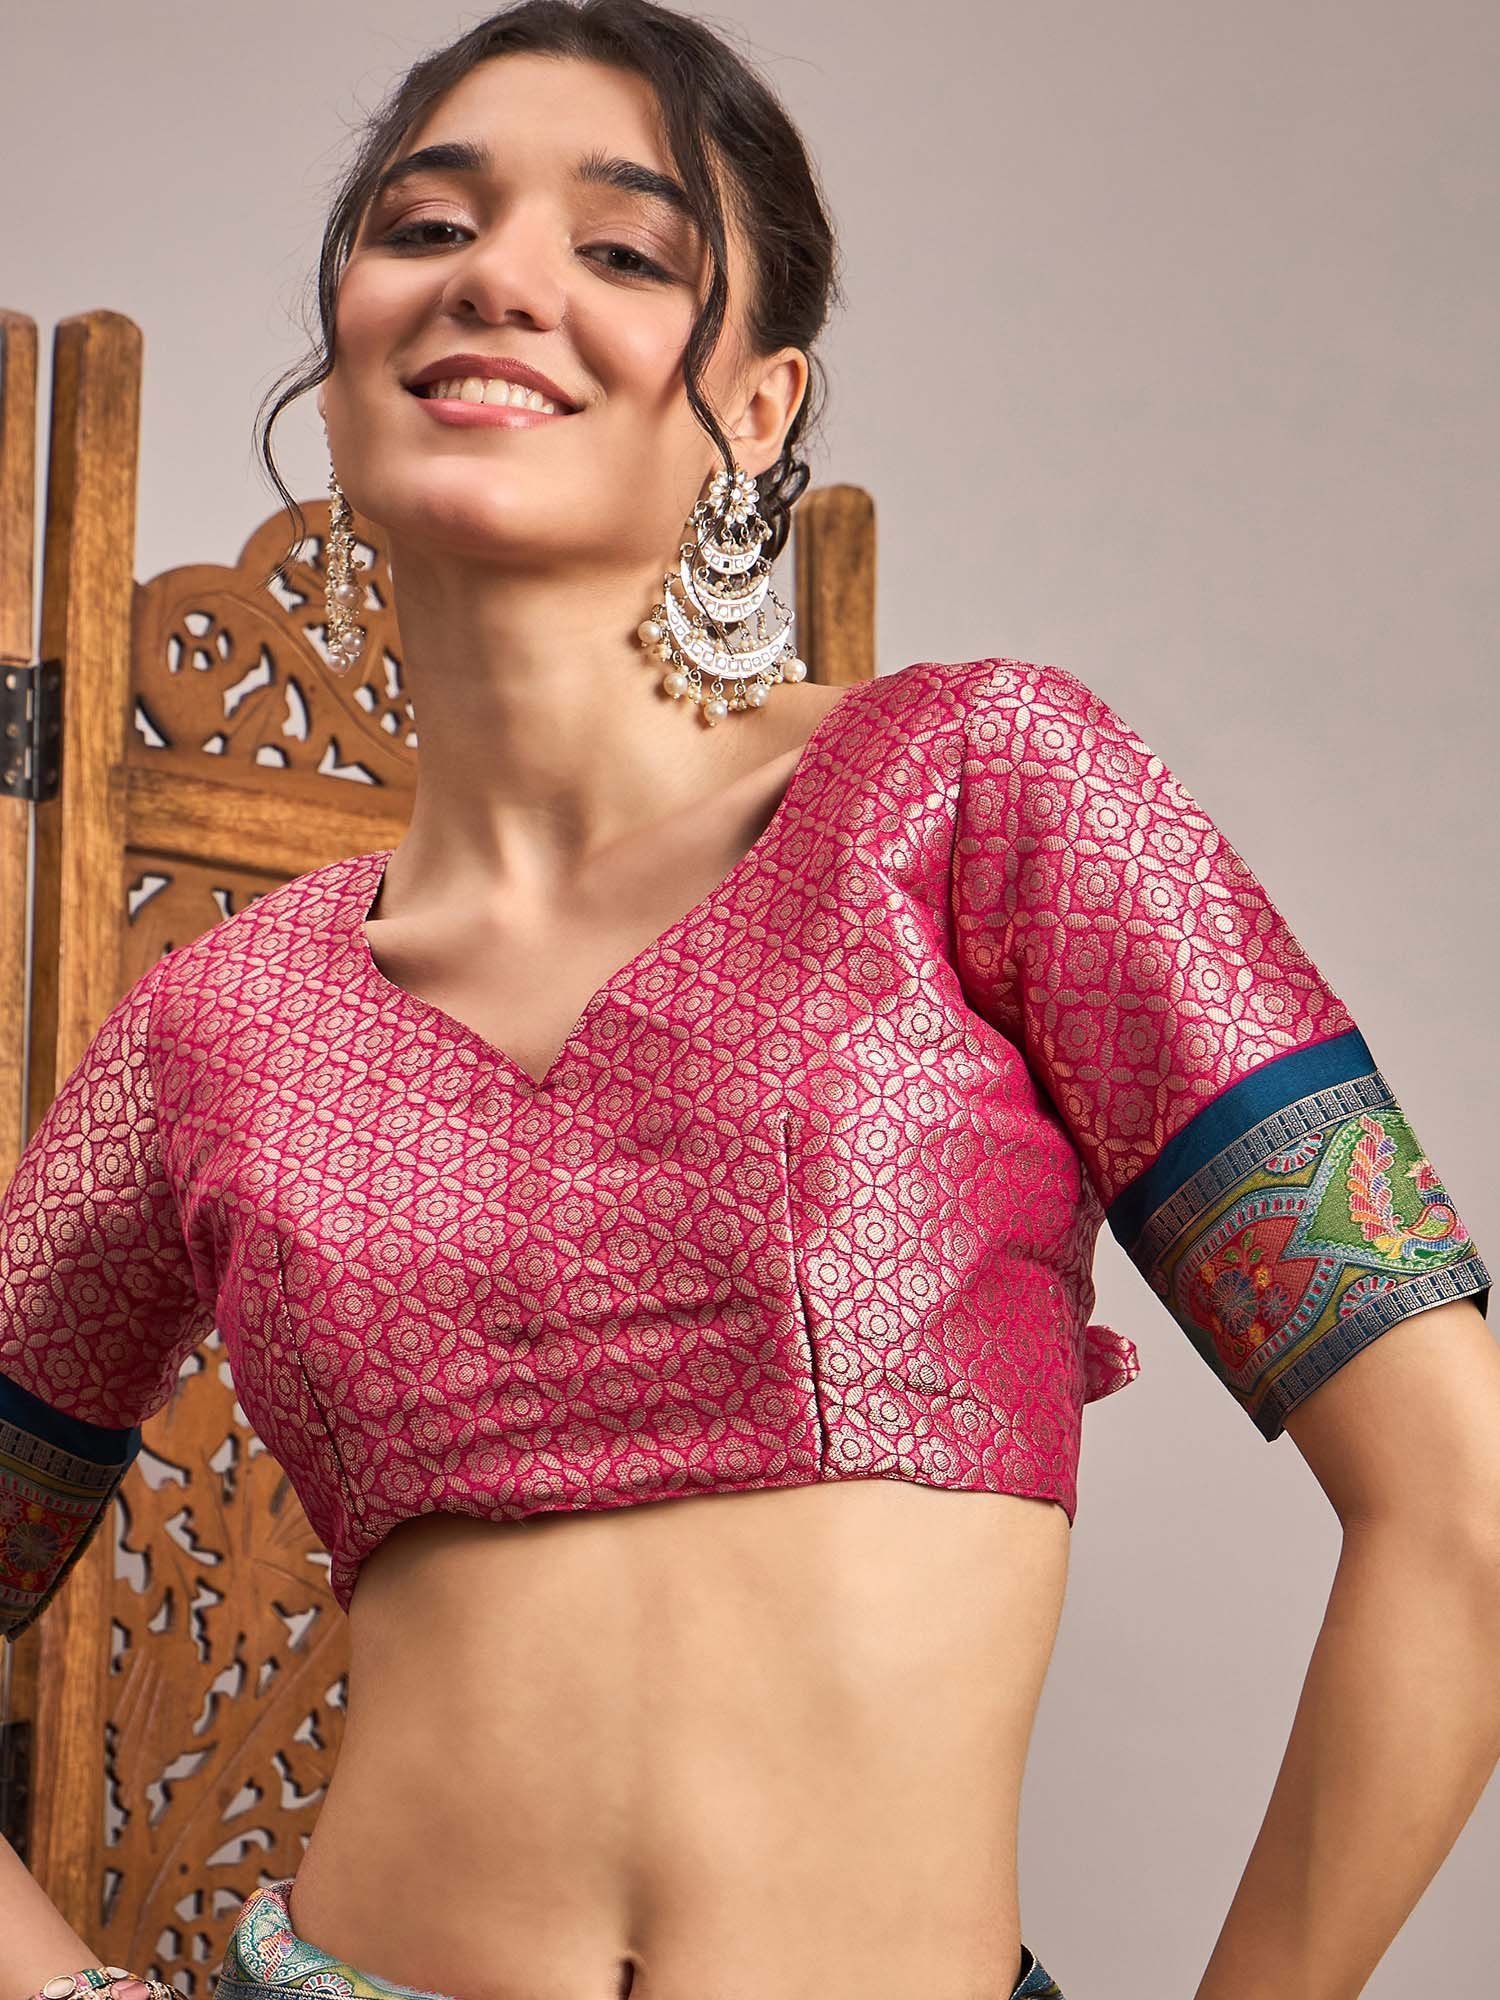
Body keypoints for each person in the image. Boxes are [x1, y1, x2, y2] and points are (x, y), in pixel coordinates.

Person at [3, 5, 1497, 1999]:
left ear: (762, 408)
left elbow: (1462, 1516)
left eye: (624, 249)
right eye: (426, 224)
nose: (499, 277)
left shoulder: (980, 790)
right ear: (344, 362)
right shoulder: (215, 1028)